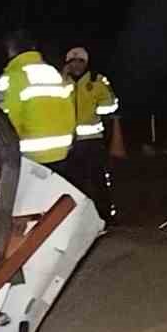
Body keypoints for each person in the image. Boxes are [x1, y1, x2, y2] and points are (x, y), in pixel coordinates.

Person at [0, 30, 75, 167]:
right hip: (62, 151)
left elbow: (8, 119)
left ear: (10, 49)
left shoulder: (13, 76)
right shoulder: (52, 72)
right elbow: (69, 109)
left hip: (31, 156)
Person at [61, 47, 118, 217]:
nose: (77, 66)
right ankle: (78, 217)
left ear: (86, 64)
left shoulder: (97, 81)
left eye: (81, 62)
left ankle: (105, 215)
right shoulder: (61, 81)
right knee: (75, 182)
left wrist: (99, 108)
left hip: (92, 140)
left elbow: (110, 105)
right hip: (68, 142)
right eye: (73, 62)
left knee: (98, 180)